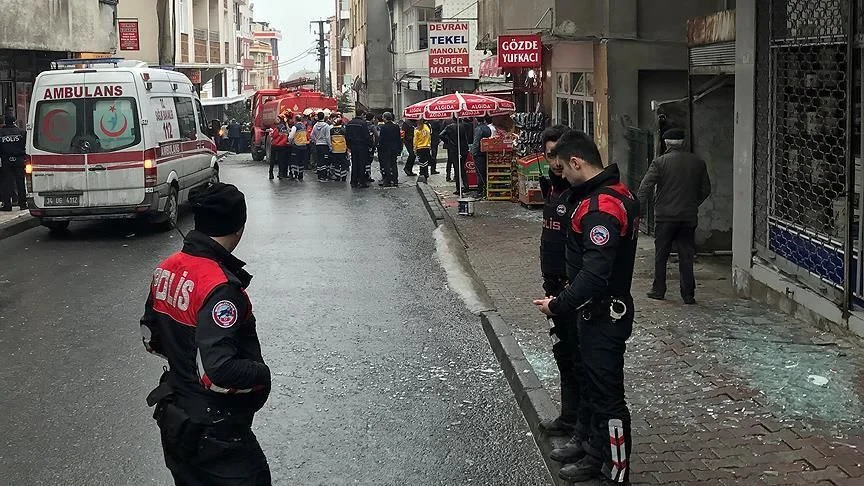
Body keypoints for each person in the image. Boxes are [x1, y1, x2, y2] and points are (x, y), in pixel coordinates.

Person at [139, 182, 272, 485]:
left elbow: (151, 336)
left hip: (176, 417)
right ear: (239, 226)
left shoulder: (167, 267)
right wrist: (262, 375)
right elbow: (219, 369)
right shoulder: (220, 286)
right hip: (216, 430)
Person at [533, 130, 638, 484]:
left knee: (608, 398)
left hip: (604, 312)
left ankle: (616, 472)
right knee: (592, 387)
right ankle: (594, 454)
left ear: (577, 161)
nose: (561, 175)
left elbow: (595, 272)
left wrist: (558, 305)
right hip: (593, 311)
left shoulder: (602, 206)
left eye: (564, 167)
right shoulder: (600, 195)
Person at [535, 125, 589, 447]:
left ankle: (581, 430)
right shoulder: (553, 188)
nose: (556, 162)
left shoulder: (579, 192)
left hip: (575, 289)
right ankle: (569, 417)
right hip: (553, 287)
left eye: (561, 155)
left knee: (579, 359)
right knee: (563, 354)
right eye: (550, 154)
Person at [636, 128, 711, 305]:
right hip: (688, 216)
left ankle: (659, 289)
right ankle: (688, 294)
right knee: (686, 255)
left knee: (661, 254)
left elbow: (645, 188)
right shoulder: (698, 162)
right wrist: (693, 203)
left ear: (665, 143)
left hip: (665, 217)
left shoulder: (660, 163)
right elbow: (706, 189)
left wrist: (636, 209)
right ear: (683, 142)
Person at [439, 117, 472, 195]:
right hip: (463, 149)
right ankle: (466, 186)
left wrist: (448, 141)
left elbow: (441, 135)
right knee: (462, 168)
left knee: (457, 169)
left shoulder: (449, 127)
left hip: (454, 150)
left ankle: (458, 188)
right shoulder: (464, 126)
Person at [0, 114, 27, 211]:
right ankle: (23, 203)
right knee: (20, 182)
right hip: (19, 160)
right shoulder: (21, 132)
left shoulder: (1, 133)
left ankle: (7, 205)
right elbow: (25, 145)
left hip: (6, 161)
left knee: (6, 183)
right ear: (14, 122)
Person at [345, 111, 373, 188]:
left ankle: (353, 181)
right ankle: (362, 181)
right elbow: (366, 135)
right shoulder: (362, 123)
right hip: (362, 146)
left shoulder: (349, 123)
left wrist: (349, 145)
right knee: (362, 164)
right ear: (362, 115)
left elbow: (346, 135)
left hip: (353, 146)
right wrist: (370, 145)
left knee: (354, 163)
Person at [471, 116, 494, 198]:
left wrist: (473, 152)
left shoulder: (478, 129)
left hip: (479, 153)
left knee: (479, 173)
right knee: (485, 171)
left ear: (476, 120)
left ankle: (480, 191)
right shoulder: (487, 128)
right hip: (486, 152)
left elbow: (476, 142)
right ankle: (486, 189)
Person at [378, 112, 402, 187]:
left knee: (386, 165)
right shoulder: (396, 127)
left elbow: (381, 139)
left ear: (385, 118)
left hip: (385, 148)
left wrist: (379, 147)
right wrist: (399, 149)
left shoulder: (383, 127)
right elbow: (399, 138)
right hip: (394, 148)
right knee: (394, 164)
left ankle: (387, 180)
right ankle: (395, 180)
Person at [310, 112, 332, 182]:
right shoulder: (326, 126)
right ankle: (324, 176)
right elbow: (328, 137)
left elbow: (311, 135)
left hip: (318, 145)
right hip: (324, 145)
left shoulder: (315, 125)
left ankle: (319, 176)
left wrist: (316, 140)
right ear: (323, 117)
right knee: (324, 161)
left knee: (319, 160)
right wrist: (330, 146)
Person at [269, 115, 290, 180]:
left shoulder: (277, 128)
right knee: (281, 160)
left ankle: (271, 173)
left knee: (272, 160)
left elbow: (274, 135)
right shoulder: (285, 128)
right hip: (282, 146)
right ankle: (280, 174)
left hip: (275, 145)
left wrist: (271, 132)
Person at [288, 115, 309, 180]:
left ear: (295, 120)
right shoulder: (303, 126)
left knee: (294, 161)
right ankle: (300, 174)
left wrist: (290, 141)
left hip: (297, 146)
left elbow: (291, 136)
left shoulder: (295, 127)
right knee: (301, 161)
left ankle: (295, 174)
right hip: (304, 146)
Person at [328, 118, 350, 182]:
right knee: (344, 163)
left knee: (336, 164)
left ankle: (337, 176)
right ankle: (343, 177)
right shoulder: (344, 130)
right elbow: (347, 139)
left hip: (334, 149)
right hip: (342, 150)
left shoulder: (331, 130)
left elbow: (329, 139)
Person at [413, 118, 432, 183]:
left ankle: (422, 173)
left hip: (419, 147)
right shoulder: (426, 127)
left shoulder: (417, 130)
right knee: (425, 161)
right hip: (426, 146)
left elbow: (415, 140)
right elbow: (429, 136)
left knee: (421, 162)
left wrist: (414, 148)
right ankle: (426, 173)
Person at [365, 113, 378, 183]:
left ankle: (363, 174)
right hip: (370, 145)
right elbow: (376, 135)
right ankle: (368, 175)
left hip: (363, 145)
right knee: (369, 161)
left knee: (363, 160)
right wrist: (375, 145)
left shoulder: (362, 124)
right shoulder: (372, 126)